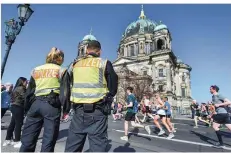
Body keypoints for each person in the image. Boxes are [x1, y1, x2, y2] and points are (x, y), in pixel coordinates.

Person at [64, 40, 118, 152]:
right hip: (98, 110)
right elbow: (113, 86)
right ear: (100, 52)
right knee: (98, 147)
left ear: (87, 50)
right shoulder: (104, 63)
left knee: (72, 147)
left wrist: (66, 107)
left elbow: (65, 86)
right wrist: (108, 98)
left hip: (78, 111)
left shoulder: (75, 64)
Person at [19, 47, 71, 152]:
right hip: (51, 105)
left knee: (28, 139)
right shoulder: (62, 70)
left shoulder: (36, 70)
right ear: (60, 58)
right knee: (48, 140)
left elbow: (29, 92)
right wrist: (65, 110)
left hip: (35, 104)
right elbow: (65, 92)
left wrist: (27, 108)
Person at [3, 78, 27, 148]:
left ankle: (8, 140)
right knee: (18, 124)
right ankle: (17, 141)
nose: (26, 83)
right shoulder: (21, 88)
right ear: (22, 82)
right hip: (19, 107)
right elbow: (25, 98)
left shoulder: (16, 88)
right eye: (26, 82)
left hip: (14, 106)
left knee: (12, 124)